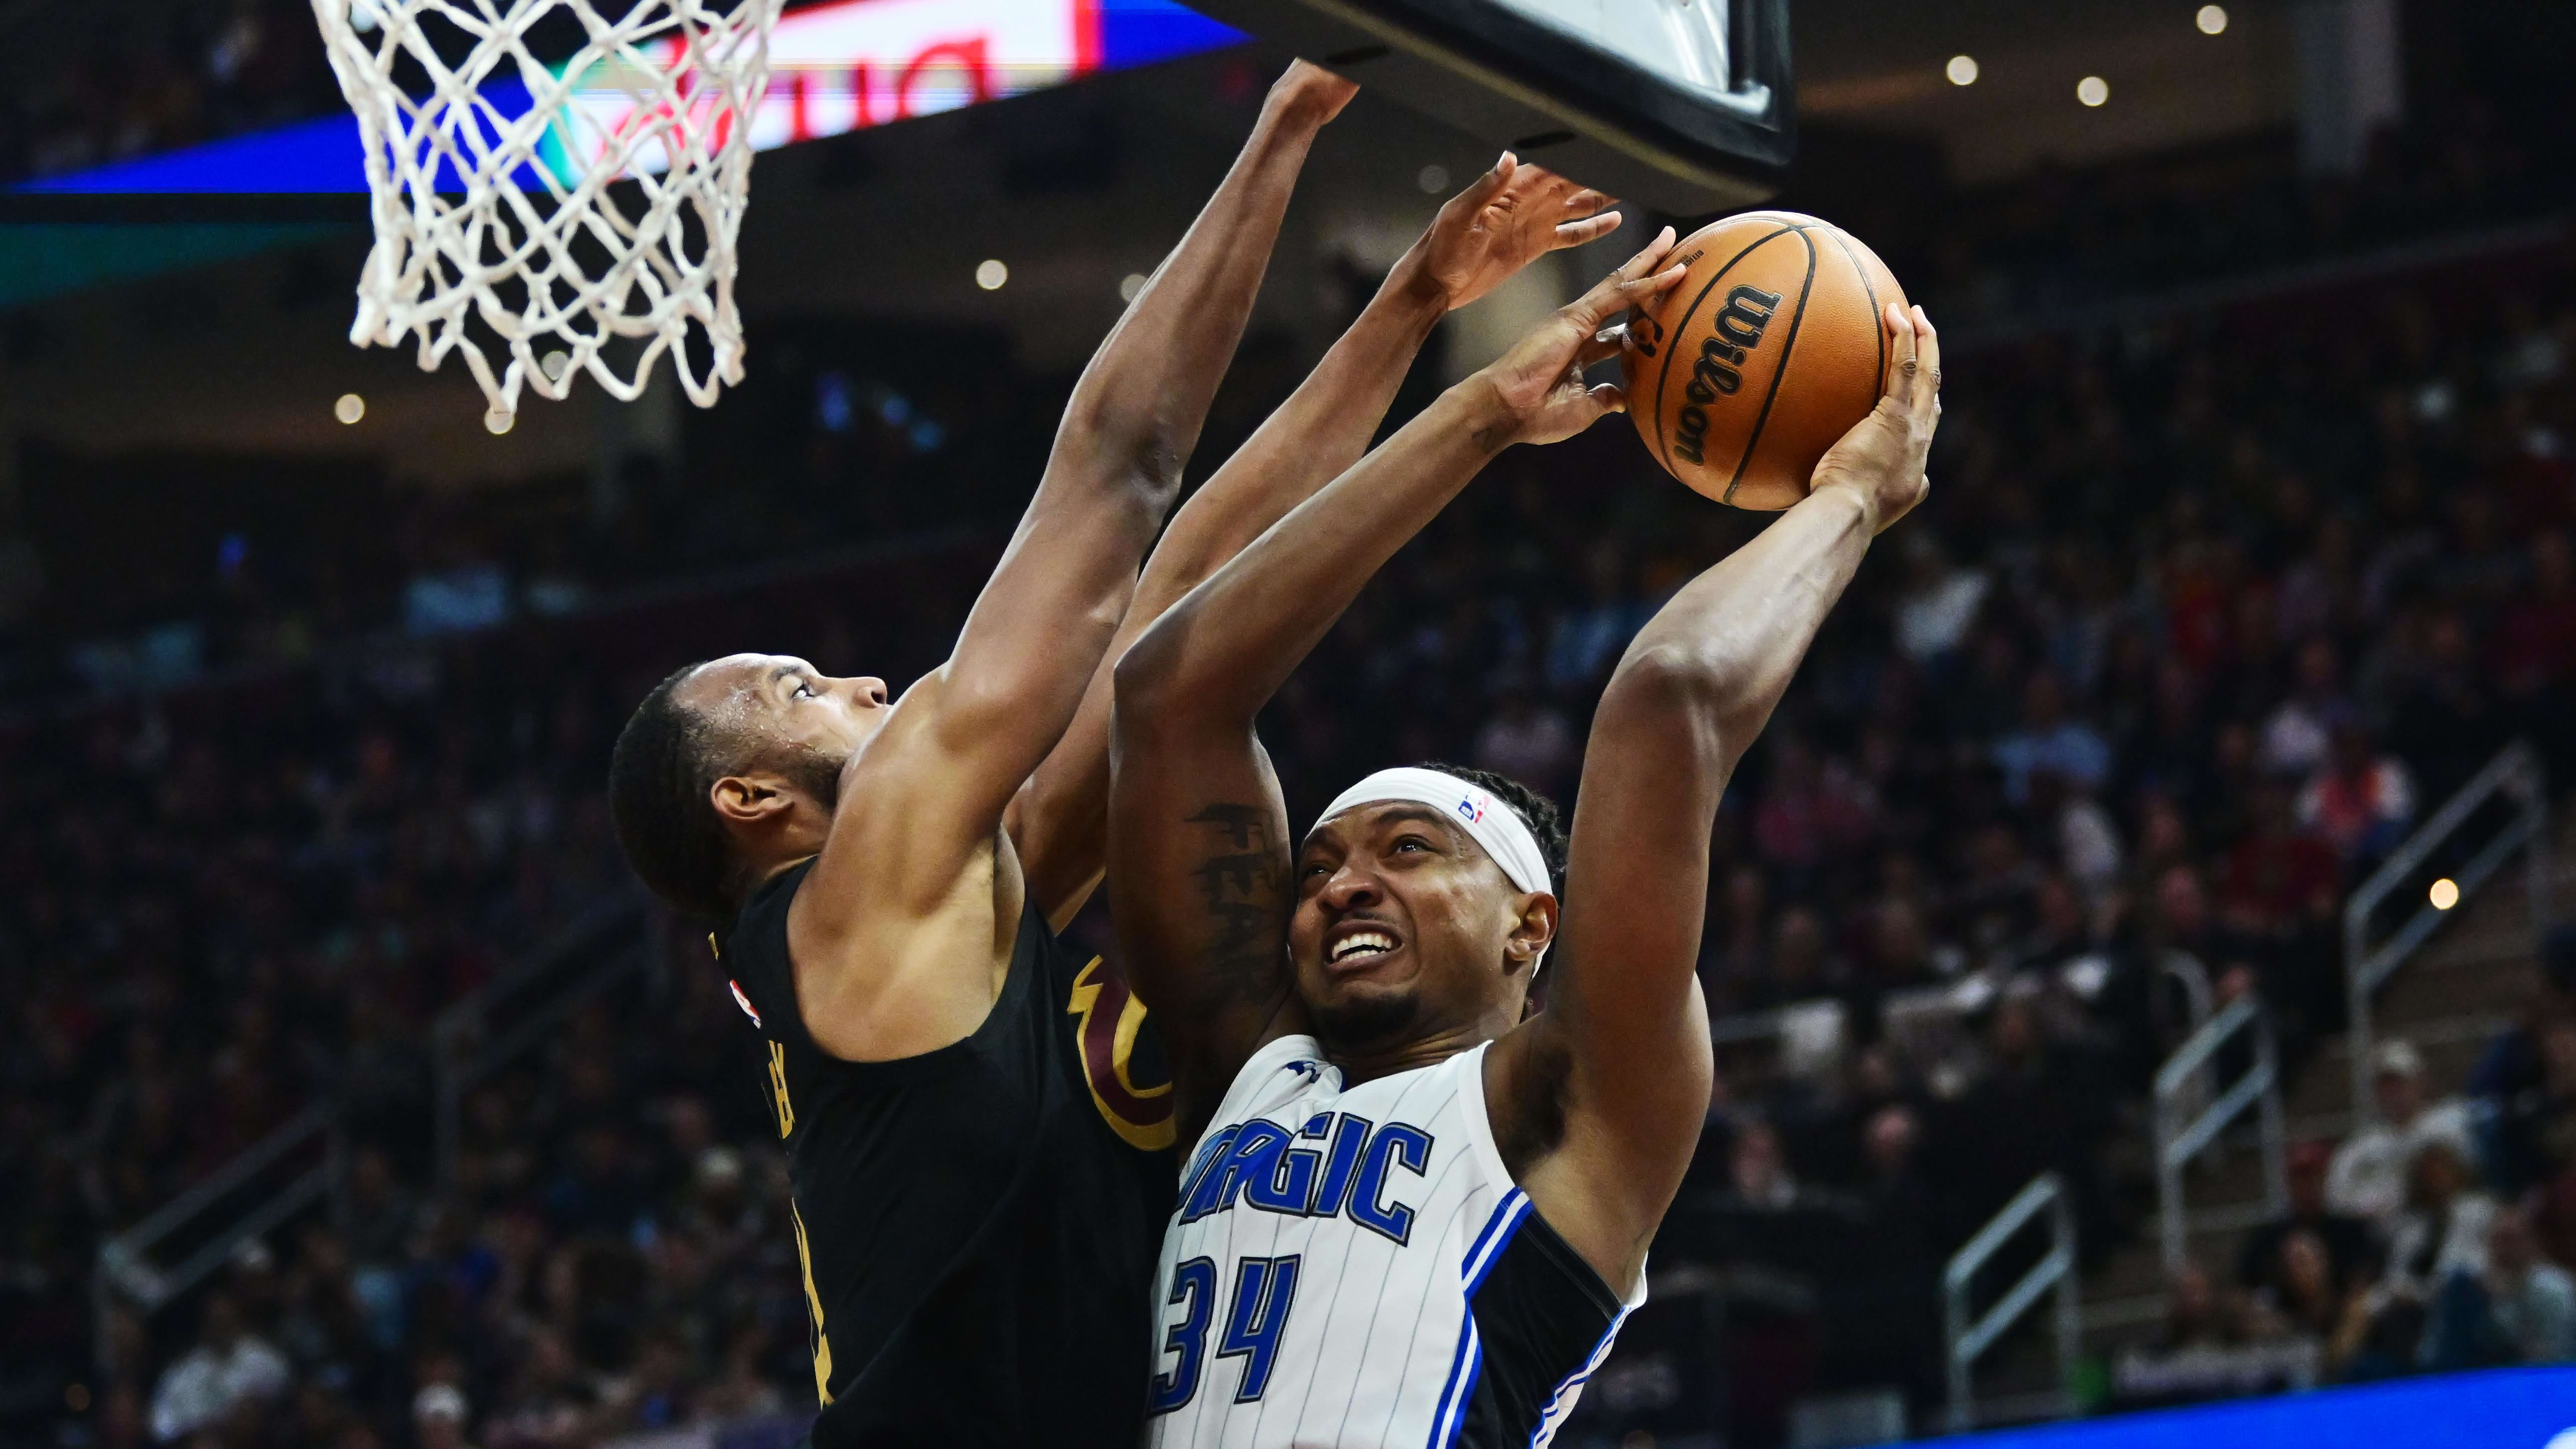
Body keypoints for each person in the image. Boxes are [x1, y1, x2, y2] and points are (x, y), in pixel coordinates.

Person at [602, 64, 1622, 1445]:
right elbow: (1116, 469)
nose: (855, 678)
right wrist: (1287, 123)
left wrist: (1415, 302)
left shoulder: (952, 899)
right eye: (797, 688)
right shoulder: (851, 901)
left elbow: (1184, 582)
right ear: (751, 798)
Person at [1107, 221, 1940, 1445]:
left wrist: (1855, 498)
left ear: (1529, 926)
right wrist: (1481, 410)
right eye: (1322, 864)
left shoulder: (1563, 1105)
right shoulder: (1250, 1070)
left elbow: (1670, 695)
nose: (1341, 884)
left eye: (1407, 849)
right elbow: (1166, 693)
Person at [2326, 1039, 2475, 1227]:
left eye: (2399, 1083)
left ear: (2420, 1081)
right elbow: (2336, 1198)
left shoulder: (2450, 1120)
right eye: (2385, 1085)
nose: (2393, 1093)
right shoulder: (2360, 1147)